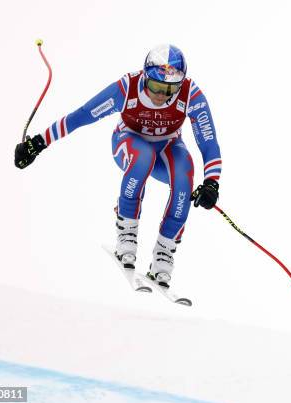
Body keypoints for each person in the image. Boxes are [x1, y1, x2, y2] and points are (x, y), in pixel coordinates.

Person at [15, 44, 222, 289]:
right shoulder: (127, 88)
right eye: (156, 86)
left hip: (168, 147)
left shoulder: (191, 94)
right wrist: (39, 143)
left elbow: (208, 141)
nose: (161, 95)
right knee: (143, 157)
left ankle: (164, 252)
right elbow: (82, 115)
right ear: (146, 77)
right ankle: (127, 231)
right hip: (129, 142)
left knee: (185, 175)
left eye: (170, 89)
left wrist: (212, 183)